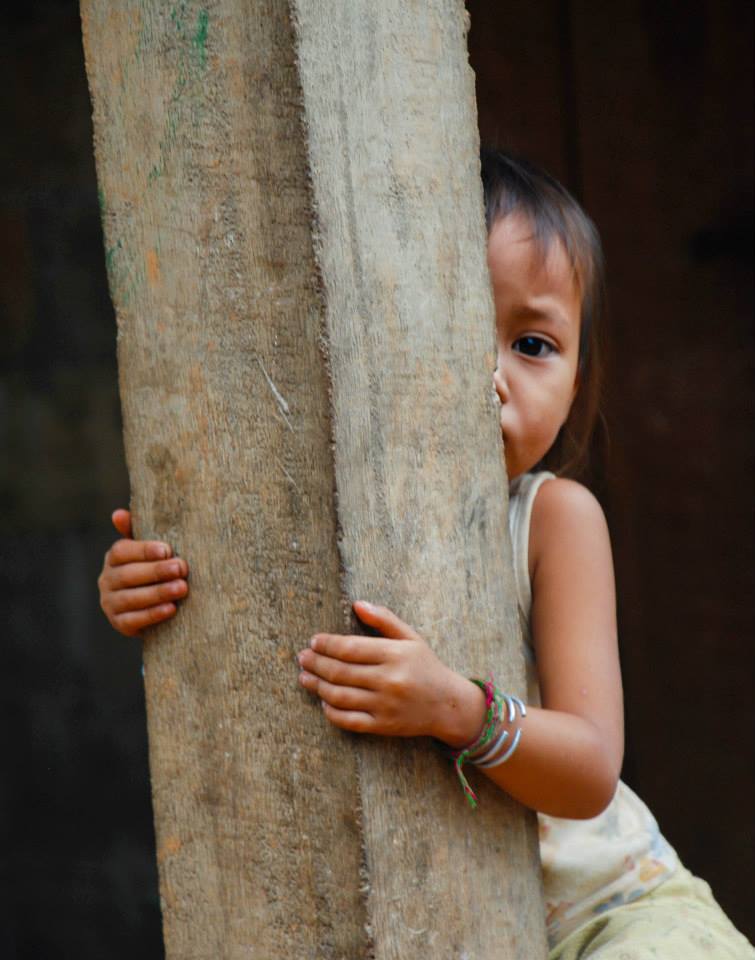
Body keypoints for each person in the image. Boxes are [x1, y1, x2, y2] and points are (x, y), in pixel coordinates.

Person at [98, 150, 753, 959]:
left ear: (580, 379)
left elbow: (588, 771)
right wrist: (144, 586)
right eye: (454, 328)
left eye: (533, 344)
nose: (492, 373)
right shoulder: (312, 500)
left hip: (613, 917)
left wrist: (457, 709)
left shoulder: (554, 518)